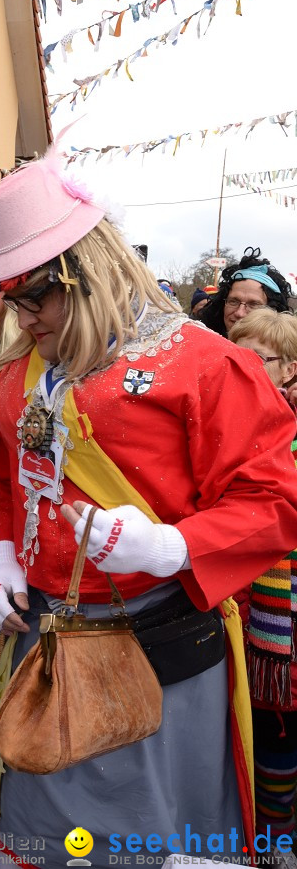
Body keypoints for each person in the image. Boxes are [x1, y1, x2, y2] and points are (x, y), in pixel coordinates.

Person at [0, 144, 297, 868]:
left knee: (150, 845)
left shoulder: (208, 364)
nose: (22, 318)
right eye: (11, 299)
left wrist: (172, 547)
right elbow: (4, 479)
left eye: (35, 296)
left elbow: (273, 502)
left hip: (157, 658)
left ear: (84, 273)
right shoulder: (14, 371)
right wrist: (1, 555)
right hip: (44, 652)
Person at [228, 310, 297, 866]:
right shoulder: (220, 423)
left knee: (278, 735)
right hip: (228, 609)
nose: (244, 367)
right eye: (237, 354)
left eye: (260, 358)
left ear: (289, 369)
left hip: (281, 626)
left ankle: (277, 838)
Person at [200, 247, 292, 337]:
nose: (240, 313)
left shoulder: (286, 352)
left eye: (253, 304)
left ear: (274, 311)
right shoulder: (200, 344)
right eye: (233, 302)